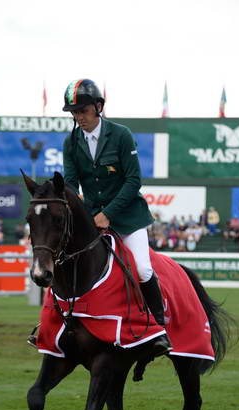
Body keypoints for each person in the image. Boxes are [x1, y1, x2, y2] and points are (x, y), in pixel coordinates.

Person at [62, 78, 171, 357]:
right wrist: (80, 213)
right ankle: (58, 327)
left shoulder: (121, 135)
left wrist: (107, 214)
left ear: (98, 107)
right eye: (74, 112)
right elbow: (71, 184)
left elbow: (133, 180)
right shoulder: (71, 143)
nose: (79, 117)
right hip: (92, 218)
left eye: (83, 111)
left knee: (143, 269)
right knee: (67, 263)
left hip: (127, 217)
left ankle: (158, 327)